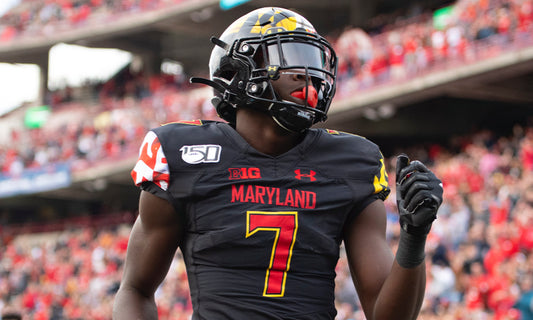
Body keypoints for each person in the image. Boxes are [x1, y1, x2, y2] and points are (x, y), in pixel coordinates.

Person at [113, 7, 443, 320]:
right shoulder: (184, 153)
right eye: (291, 57)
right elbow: (135, 289)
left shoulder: (351, 162)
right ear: (238, 70)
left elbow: (387, 315)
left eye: (313, 60)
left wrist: (414, 235)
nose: (307, 73)